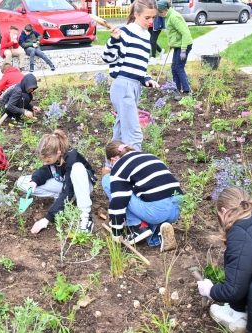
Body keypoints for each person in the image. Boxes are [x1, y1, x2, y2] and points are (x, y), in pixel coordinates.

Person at [197, 187, 252, 333]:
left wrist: (210, 290)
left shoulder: (241, 232)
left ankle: (238, 316)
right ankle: (237, 311)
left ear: (224, 211)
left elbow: (233, 291)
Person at [101, 0, 160, 155]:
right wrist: (113, 40)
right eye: (147, 18)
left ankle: (111, 167)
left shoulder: (146, 35)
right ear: (136, 14)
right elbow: (107, 58)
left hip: (135, 86)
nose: (151, 21)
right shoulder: (126, 32)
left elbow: (139, 65)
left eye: (153, 18)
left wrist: (146, 78)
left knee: (120, 133)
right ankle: (136, 169)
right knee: (134, 135)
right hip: (123, 86)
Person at [102, 140, 181, 251]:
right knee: (144, 194)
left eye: (110, 163)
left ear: (114, 159)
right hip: (175, 209)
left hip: (157, 211)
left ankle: (139, 227)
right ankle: (159, 231)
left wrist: (116, 233)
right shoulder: (148, 156)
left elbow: (119, 202)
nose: (111, 166)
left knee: (107, 180)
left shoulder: (120, 166)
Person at [16, 130, 97, 234]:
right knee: (22, 181)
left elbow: (69, 190)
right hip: (66, 184)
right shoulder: (54, 154)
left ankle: (85, 216)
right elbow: (46, 170)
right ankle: (62, 199)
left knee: (77, 168)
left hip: (82, 188)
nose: (45, 163)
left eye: (47, 161)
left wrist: (47, 219)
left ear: (58, 153)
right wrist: (34, 181)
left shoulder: (72, 159)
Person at [158, 0, 193, 101]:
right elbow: (173, 32)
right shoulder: (168, 16)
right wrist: (172, 43)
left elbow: (185, 33)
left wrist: (183, 50)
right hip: (178, 45)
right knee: (174, 67)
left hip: (184, 45)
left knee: (178, 67)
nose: (159, 15)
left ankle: (187, 91)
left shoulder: (174, 17)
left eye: (160, 13)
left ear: (165, 10)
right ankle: (176, 89)